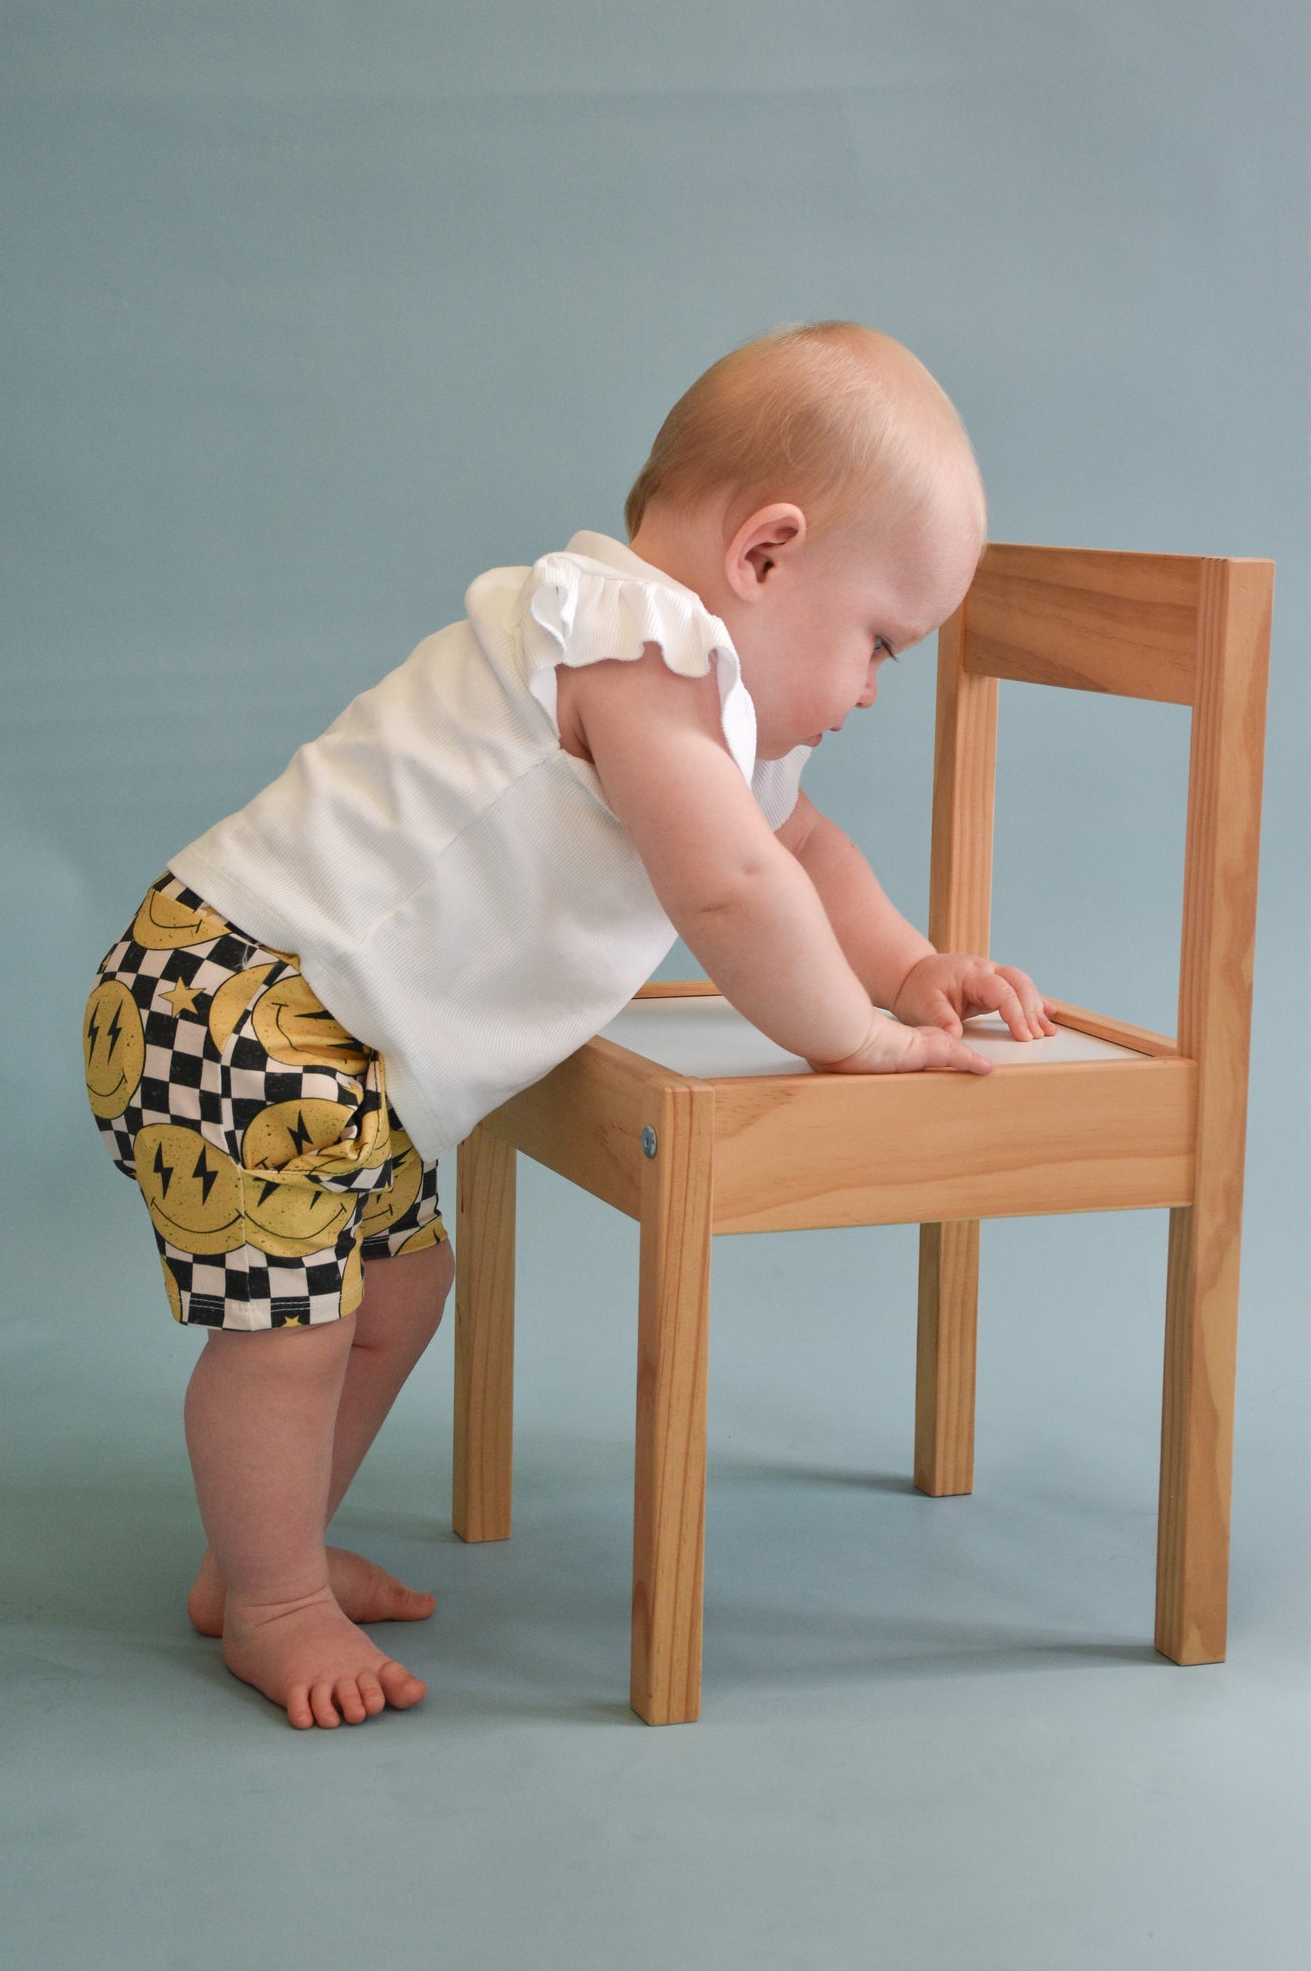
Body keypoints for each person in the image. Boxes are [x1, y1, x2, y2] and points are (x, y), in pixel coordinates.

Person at [83, 321, 1056, 1730]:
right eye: (878, 644)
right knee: (287, 1333)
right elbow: (726, 888)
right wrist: (847, 1035)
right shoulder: (625, 643)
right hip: (239, 997)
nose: (866, 692)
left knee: (398, 1295)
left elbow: (799, 855)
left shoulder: (713, 714)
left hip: (338, 1043)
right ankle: (272, 1601)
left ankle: (260, 1555)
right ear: (765, 556)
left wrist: (907, 966)